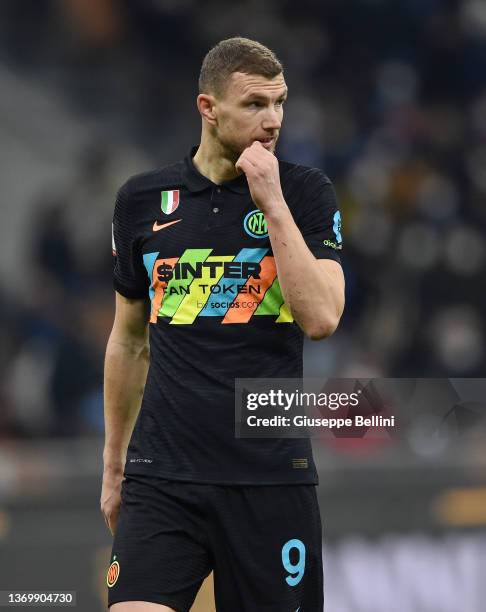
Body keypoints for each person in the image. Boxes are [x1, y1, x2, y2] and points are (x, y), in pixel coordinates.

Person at [101, 37, 345, 612]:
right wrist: (114, 466)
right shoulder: (142, 199)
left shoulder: (305, 193)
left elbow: (322, 318)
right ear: (208, 108)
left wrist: (272, 201)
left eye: (280, 103)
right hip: (163, 475)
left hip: (268, 476)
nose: (273, 120)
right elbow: (128, 340)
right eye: (255, 105)